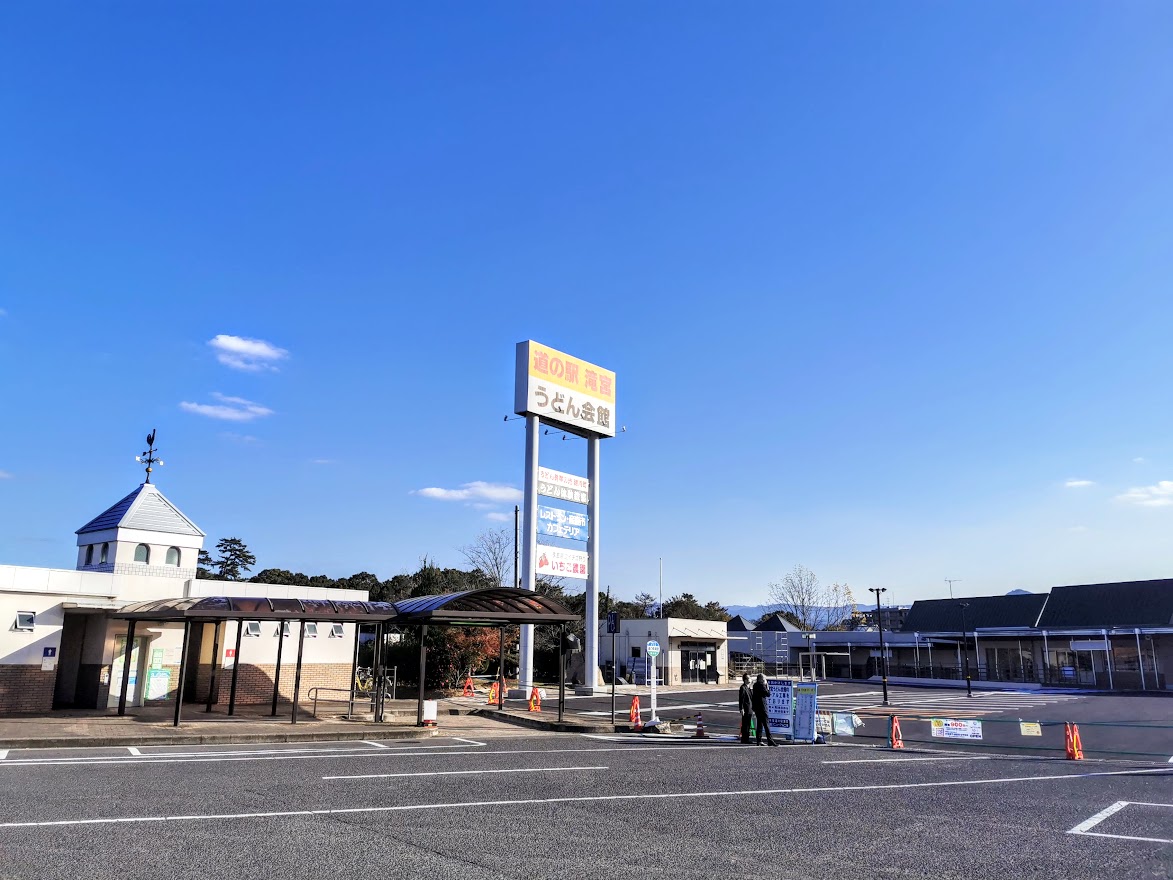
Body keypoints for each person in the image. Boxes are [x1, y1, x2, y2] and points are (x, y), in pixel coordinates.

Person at [752, 673, 778, 746]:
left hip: (757, 707)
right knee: (766, 724)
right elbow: (768, 694)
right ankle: (770, 740)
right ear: (760, 679)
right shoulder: (761, 685)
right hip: (762, 707)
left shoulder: (755, 685)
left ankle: (759, 740)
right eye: (764, 679)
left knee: (759, 724)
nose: (765, 680)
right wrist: (767, 686)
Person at [738, 673, 753, 743]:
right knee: (745, 724)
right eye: (748, 678)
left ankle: (746, 738)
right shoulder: (743, 687)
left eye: (749, 678)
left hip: (750, 708)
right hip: (746, 708)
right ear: (745, 680)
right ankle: (744, 739)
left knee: (748, 723)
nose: (749, 679)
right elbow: (741, 699)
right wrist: (741, 708)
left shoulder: (748, 687)